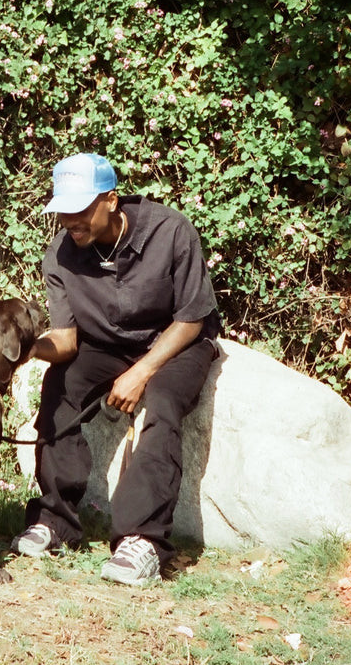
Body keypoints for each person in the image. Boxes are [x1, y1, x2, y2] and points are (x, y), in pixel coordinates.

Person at [12, 153, 220, 586]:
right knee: (61, 385)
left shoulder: (170, 231)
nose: (70, 221)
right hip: (105, 346)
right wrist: (27, 349)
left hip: (177, 343)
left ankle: (142, 540)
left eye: (81, 209)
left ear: (110, 200)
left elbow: (191, 320)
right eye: (63, 211)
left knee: (161, 401)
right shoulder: (60, 254)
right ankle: (56, 520)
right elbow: (67, 340)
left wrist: (142, 372)